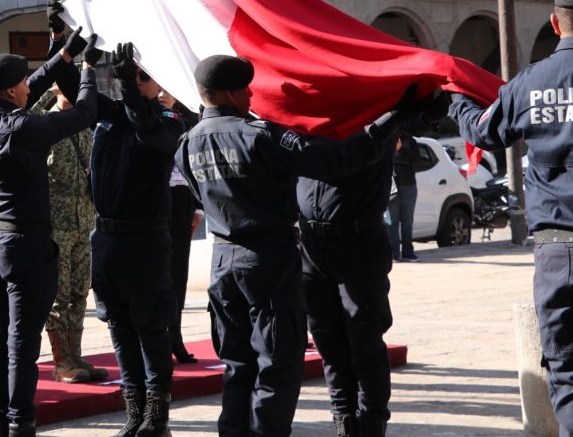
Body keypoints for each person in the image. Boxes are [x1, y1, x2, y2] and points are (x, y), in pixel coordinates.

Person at [175, 55, 408, 437]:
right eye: (246, 88)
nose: (252, 94)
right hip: (267, 259)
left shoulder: (187, 142)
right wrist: (391, 117)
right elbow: (334, 160)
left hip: (223, 261)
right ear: (232, 93)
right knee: (277, 365)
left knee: (237, 365)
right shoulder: (260, 136)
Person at [448, 0, 573, 434]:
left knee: (566, 368)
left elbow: (484, 131)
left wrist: (457, 98)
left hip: (558, 249)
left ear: (555, 23)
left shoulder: (531, 82)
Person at [0, 28, 97, 437]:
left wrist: (67, 54)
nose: (28, 84)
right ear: (9, 90)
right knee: (22, 340)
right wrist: (90, 69)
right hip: (26, 244)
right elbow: (84, 114)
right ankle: (21, 419)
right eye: (22, 80)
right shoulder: (23, 129)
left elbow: (28, 88)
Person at [298, 95, 446, 437]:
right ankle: (343, 422)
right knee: (328, 344)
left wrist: (419, 106)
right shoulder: (307, 116)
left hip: (359, 242)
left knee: (364, 341)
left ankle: (372, 423)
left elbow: (426, 115)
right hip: (312, 246)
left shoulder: (378, 113)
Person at [86, 43, 183, 436]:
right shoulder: (111, 116)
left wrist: (129, 86)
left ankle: (157, 418)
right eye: (131, 73)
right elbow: (81, 98)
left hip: (144, 242)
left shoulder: (168, 120)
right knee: (120, 330)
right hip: (107, 241)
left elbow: (146, 126)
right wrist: (66, 49)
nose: (136, 80)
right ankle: (134, 411)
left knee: (151, 329)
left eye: (143, 75)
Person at [30, 83, 106, 384]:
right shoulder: (45, 126)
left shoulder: (84, 129)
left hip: (83, 222)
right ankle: (61, 361)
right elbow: (27, 120)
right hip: (56, 227)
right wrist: (49, 92)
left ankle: (76, 354)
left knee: (79, 292)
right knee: (58, 296)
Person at [158, 89, 203, 366]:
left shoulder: (184, 124)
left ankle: (175, 335)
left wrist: (197, 208)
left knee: (178, 272)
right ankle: (156, 339)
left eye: (168, 88)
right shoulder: (142, 119)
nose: (163, 94)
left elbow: (194, 167)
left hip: (181, 204)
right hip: (152, 205)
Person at [388, 128, 419, 262]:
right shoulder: (385, 140)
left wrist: (401, 149)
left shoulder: (409, 140)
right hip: (391, 186)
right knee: (391, 222)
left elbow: (416, 158)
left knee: (407, 221)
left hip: (408, 185)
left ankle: (408, 252)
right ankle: (393, 254)